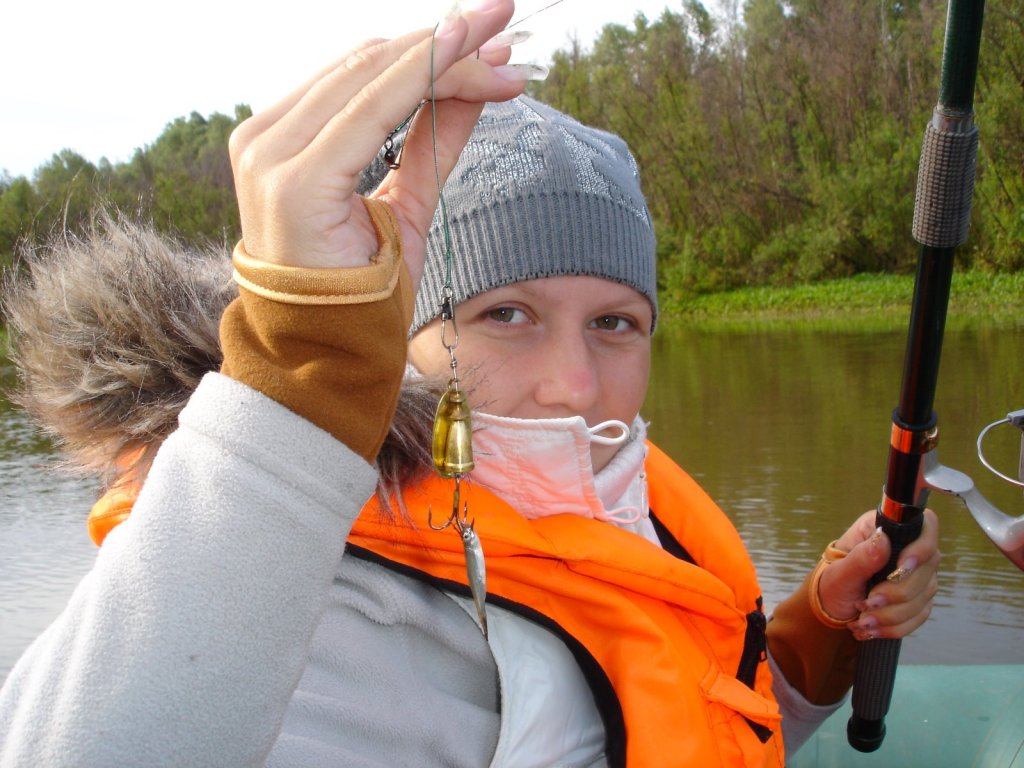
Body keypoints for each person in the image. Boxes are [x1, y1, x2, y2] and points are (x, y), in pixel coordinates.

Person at [0, 2, 938, 765]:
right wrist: (295, 382)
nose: (572, 385)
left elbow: (697, 725)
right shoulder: (330, 601)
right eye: (505, 315)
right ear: (394, 331)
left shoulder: (627, 500)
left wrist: (822, 632)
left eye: (614, 324)